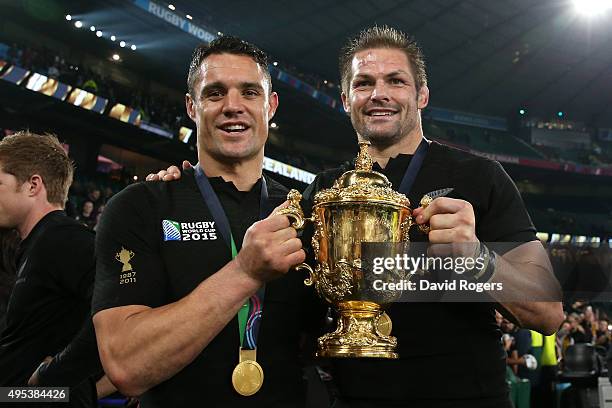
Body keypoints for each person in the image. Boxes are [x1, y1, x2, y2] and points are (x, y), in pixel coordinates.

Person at [149, 26, 564, 407]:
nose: (378, 94)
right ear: (346, 99)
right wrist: (182, 188)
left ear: (421, 96)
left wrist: (475, 258)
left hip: (465, 399)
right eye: (364, 83)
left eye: (395, 81)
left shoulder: (479, 177)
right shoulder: (323, 192)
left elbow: (548, 314)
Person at [92, 36, 319, 407]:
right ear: (192, 107)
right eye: (215, 93)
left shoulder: (306, 213)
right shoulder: (141, 206)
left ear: (270, 105)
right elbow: (126, 365)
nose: (233, 106)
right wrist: (245, 272)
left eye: (249, 92)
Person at [0, 132, 109, 407]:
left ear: (33, 185)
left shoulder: (63, 238)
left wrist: (58, 371)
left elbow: (121, 302)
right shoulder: (36, 243)